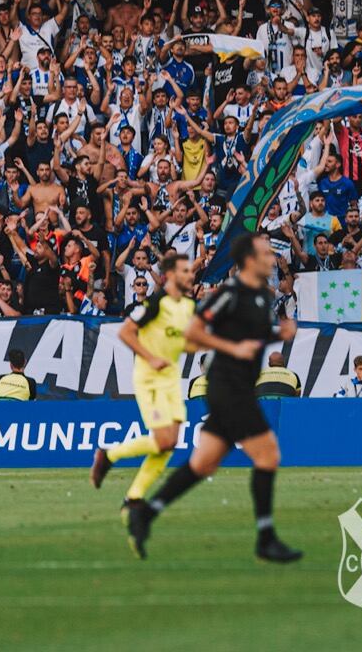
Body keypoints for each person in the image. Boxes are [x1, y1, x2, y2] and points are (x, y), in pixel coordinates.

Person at [127, 234, 301, 564]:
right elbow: (194, 331)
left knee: (202, 464)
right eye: (265, 253)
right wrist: (232, 348)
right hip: (227, 384)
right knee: (268, 455)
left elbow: (254, 335)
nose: (271, 258)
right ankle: (266, 538)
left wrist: (280, 333)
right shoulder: (231, 293)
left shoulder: (263, 297)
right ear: (249, 259)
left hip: (239, 385)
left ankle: (145, 514)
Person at [89, 250, 194, 522]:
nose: (191, 275)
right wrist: (151, 357)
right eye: (185, 271)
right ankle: (110, 455)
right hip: (150, 375)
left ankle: (133, 498)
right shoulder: (156, 303)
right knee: (164, 440)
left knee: (168, 444)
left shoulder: (187, 305)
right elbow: (125, 331)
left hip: (170, 378)